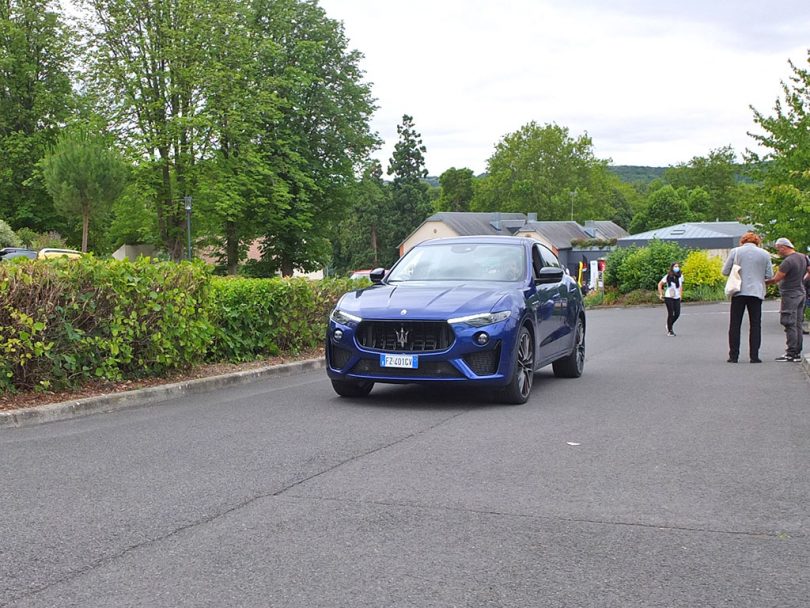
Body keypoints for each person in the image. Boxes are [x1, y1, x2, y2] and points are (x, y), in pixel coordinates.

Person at [721, 231, 773, 363]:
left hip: (738, 291)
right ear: (757, 241)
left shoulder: (735, 251)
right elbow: (769, 275)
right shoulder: (765, 254)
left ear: (743, 240)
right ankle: (754, 356)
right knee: (755, 324)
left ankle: (734, 355)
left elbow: (725, 271)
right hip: (756, 292)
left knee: (735, 324)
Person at [765, 237, 809, 361]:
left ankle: (791, 352)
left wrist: (763, 283)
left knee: (789, 322)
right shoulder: (803, 257)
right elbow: (809, 271)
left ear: (784, 247)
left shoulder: (788, 262)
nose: (778, 252)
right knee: (798, 323)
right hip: (801, 293)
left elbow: (776, 279)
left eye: (778, 249)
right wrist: (801, 280)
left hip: (790, 294)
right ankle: (797, 352)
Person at [657, 262, 683, 336]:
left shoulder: (680, 276)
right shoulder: (667, 276)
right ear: (672, 267)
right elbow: (660, 284)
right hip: (669, 297)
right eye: (675, 266)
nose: (677, 268)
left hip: (677, 297)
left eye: (678, 266)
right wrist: (661, 294)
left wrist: (681, 295)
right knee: (671, 313)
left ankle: (669, 324)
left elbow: (680, 286)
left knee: (677, 314)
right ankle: (670, 330)